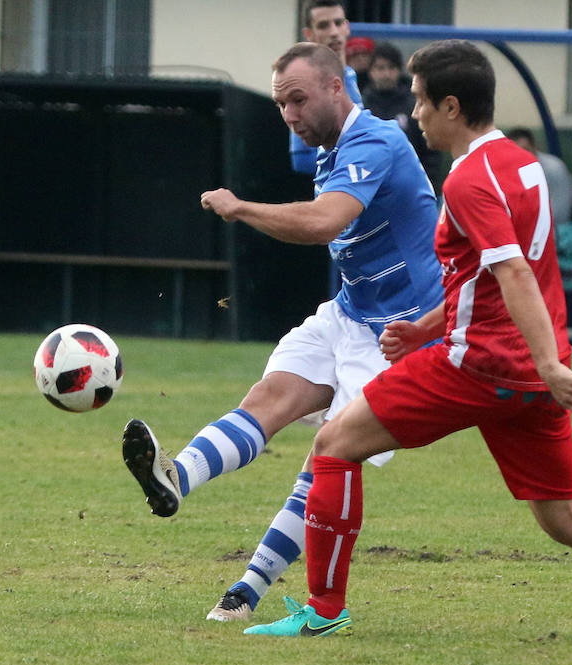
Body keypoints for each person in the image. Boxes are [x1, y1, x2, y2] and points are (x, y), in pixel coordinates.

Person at [243, 39, 572, 647]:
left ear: (453, 106)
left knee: (333, 446)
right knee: (565, 516)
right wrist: (429, 329)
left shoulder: (467, 178)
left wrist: (542, 361)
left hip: (478, 365)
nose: (414, 116)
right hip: (529, 376)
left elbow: (514, 271)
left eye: (420, 103)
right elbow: (485, 277)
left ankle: (324, 608)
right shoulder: (525, 164)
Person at [122, 42, 443, 622]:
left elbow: (324, 223)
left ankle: (248, 591)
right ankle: (174, 478)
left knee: (325, 459)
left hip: (402, 335)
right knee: (267, 400)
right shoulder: (332, 149)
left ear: (334, 87)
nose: (289, 115)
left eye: (297, 100)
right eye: (279, 105)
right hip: (348, 314)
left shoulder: (374, 139)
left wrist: (241, 207)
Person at [289, 0, 363, 175]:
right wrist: (358, 163)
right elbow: (301, 160)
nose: (333, 32)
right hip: (332, 193)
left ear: (347, 27)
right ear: (309, 34)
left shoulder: (351, 76)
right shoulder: (305, 82)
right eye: (323, 26)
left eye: (338, 23)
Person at [362, 41, 444, 193]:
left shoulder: (415, 105)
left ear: (399, 70)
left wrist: (427, 185)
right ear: (371, 71)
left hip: (414, 188)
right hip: (371, 189)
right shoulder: (361, 106)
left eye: (391, 68)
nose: (386, 74)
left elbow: (431, 149)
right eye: (380, 68)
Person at [507, 126, 572, 225]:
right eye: (515, 151)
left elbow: (561, 211)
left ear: (534, 148)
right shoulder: (507, 170)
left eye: (525, 149)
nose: (521, 155)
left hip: (554, 229)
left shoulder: (554, 168)